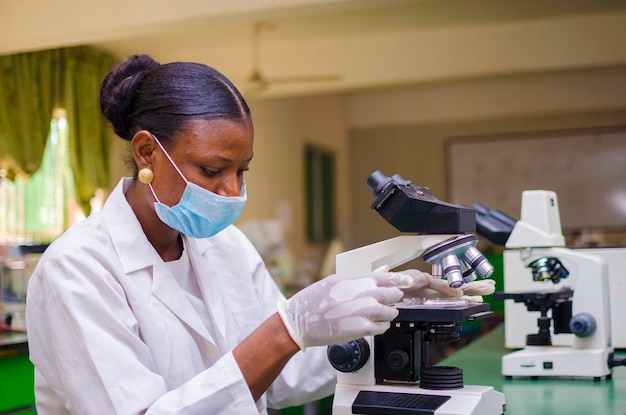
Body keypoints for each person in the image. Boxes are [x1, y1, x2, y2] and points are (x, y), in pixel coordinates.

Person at [26, 54, 494, 415]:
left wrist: (381, 317)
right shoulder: (79, 268)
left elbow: (282, 377)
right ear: (147, 152)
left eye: (241, 170)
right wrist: (285, 328)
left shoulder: (223, 245)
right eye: (212, 170)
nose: (232, 191)